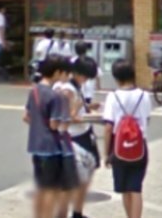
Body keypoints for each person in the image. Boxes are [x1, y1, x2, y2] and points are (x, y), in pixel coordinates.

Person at [102, 59, 152, 218]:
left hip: (119, 147)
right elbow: (147, 120)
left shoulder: (113, 97)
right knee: (136, 188)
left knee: (124, 189)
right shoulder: (144, 95)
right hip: (139, 145)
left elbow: (108, 127)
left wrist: (106, 153)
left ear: (116, 77)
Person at [23, 56, 64, 218]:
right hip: (51, 147)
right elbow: (54, 125)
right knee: (51, 190)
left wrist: (38, 124)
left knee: (40, 187)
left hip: (35, 145)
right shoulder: (54, 96)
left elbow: (26, 117)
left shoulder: (34, 91)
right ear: (56, 72)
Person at [66, 56, 101, 218]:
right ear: (76, 72)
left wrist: (89, 107)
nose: (86, 80)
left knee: (87, 174)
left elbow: (77, 109)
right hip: (74, 136)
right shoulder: (67, 89)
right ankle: (74, 212)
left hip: (85, 134)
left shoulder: (76, 86)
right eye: (85, 76)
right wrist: (86, 117)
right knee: (79, 177)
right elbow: (66, 116)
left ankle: (78, 212)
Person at [52, 57, 80, 218]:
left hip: (49, 140)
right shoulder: (67, 90)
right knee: (65, 186)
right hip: (63, 139)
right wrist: (76, 107)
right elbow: (68, 116)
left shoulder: (52, 88)